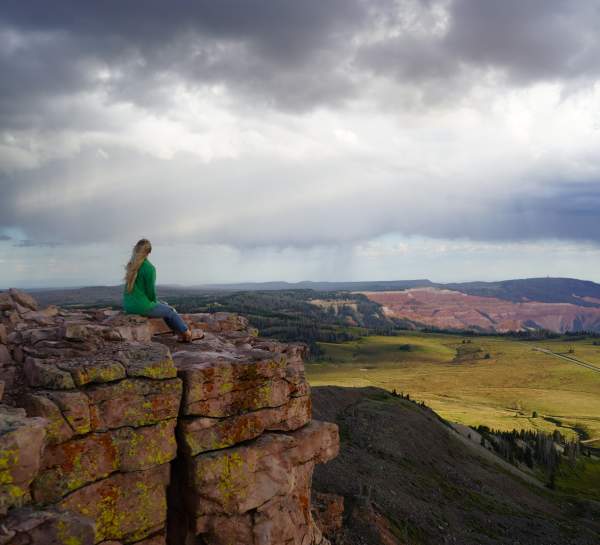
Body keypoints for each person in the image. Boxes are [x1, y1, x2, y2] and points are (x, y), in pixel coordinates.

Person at [123, 238, 192, 342]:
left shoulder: (131, 265)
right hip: (142, 306)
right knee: (170, 311)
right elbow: (151, 292)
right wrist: (155, 302)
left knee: (164, 304)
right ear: (149, 252)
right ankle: (187, 334)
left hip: (128, 306)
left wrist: (158, 303)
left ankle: (178, 333)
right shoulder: (149, 268)